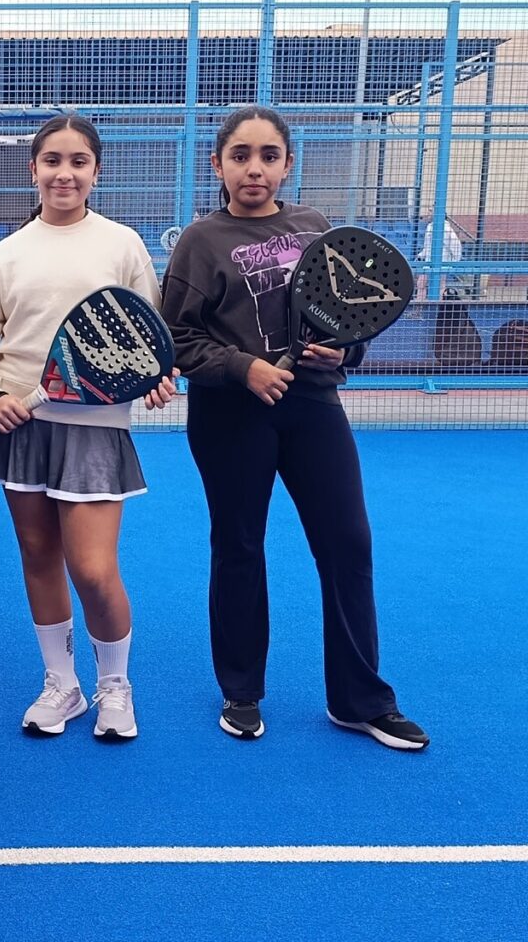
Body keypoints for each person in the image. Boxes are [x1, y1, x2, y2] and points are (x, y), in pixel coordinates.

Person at [160, 104, 429, 751]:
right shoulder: (200, 241)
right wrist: (243, 367)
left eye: (269, 155)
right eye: (241, 155)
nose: (255, 169)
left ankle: (360, 700)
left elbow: (347, 313)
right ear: (217, 163)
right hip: (231, 416)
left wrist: (347, 353)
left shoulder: (313, 226)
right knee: (240, 548)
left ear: (287, 163)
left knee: (348, 544)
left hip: (313, 407)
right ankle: (242, 692)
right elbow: (175, 337)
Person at [0, 114, 175, 741]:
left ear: (95, 172)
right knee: (39, 557)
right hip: (19, 428)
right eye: (52, 160)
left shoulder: (122, 244)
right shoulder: (7, 254)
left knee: (93, 569)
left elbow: (149, 337)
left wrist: (159, 378)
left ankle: (116, 686)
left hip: (94, 432)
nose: (65, 172)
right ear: (33, 169)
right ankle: (63, 685)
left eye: (78, 161)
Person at [417, 216, 472, 299]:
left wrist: (453, 261)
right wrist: (422, 254)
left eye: (431, 211)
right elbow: (427, 244)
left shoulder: (447, 229)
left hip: (442, 262)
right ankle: (418, 310)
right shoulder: (429, 227)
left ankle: (438, 308)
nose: (428, 213)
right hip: (429, 261)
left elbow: (456, 246)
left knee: (440, 286)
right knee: (421, 283)